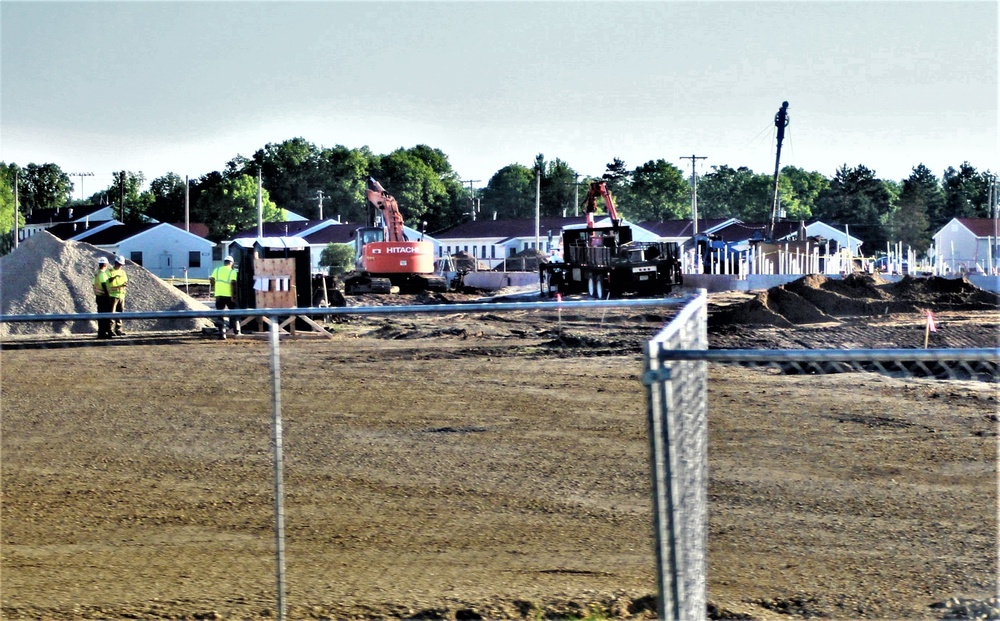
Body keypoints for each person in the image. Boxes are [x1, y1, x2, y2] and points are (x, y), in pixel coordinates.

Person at [210, 255, 240, 340]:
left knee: (220, 315)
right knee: (234, 313)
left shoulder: (217, 270)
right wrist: (233, 296)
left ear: (224, 262)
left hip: (219, 295)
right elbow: (233, 283)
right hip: (229, 295)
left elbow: (212, 280)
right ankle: (236, 331)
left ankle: (222, 334)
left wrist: (215, 286)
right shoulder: (232, 272)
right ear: (231, 263)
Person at [107, 255, 129, 336]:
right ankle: (110, 330)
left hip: (121, 295)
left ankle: (118, 329)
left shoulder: (123, 272)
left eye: (121, 264)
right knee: (112, 313)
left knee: (120, 313)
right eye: (119, 264)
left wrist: (124, 285)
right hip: (113, 295)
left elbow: (125, 281)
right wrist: (114, 277)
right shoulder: (110, 271)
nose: (120, 266)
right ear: (115, 263)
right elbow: (107, 282)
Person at [93, 256, 114, 339]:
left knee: (101, 315)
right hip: (103, 298)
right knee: (105, 315)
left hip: (98, 297)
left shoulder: (97, 273)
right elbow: (104, 285)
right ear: (105, 264)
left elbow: (94, 284)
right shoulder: (102, 274)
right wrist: (109, 296)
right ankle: (104, 332)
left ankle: (101, 332)